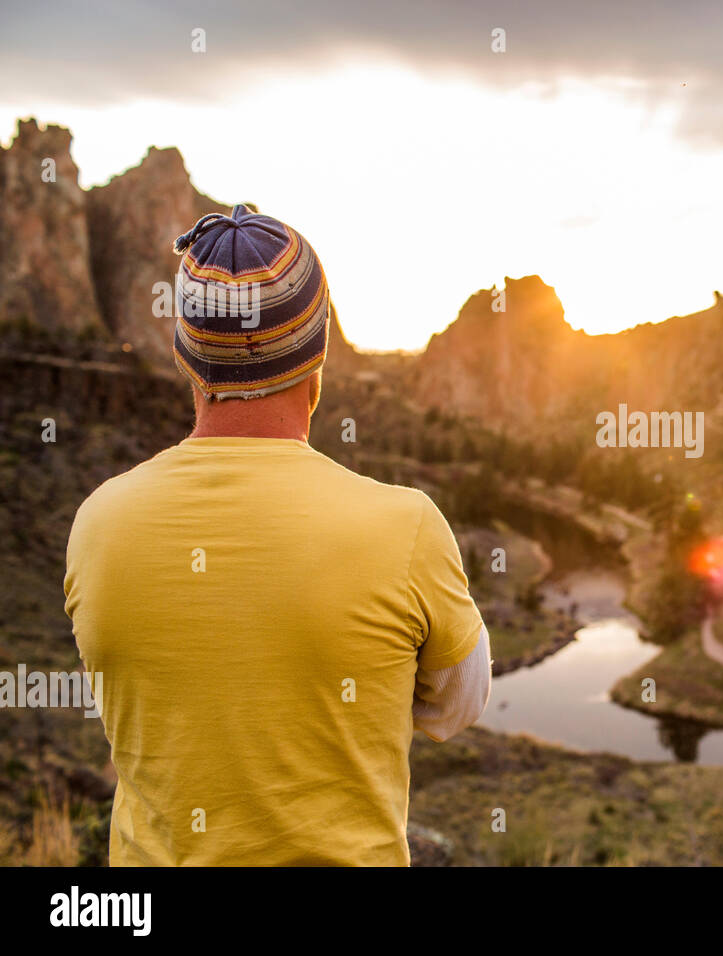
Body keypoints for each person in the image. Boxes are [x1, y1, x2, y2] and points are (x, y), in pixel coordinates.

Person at [63, 204, 490, 866]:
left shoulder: (97, 525)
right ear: (318, 357)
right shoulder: (407, 527)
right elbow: (456, 706)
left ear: (186, 358)